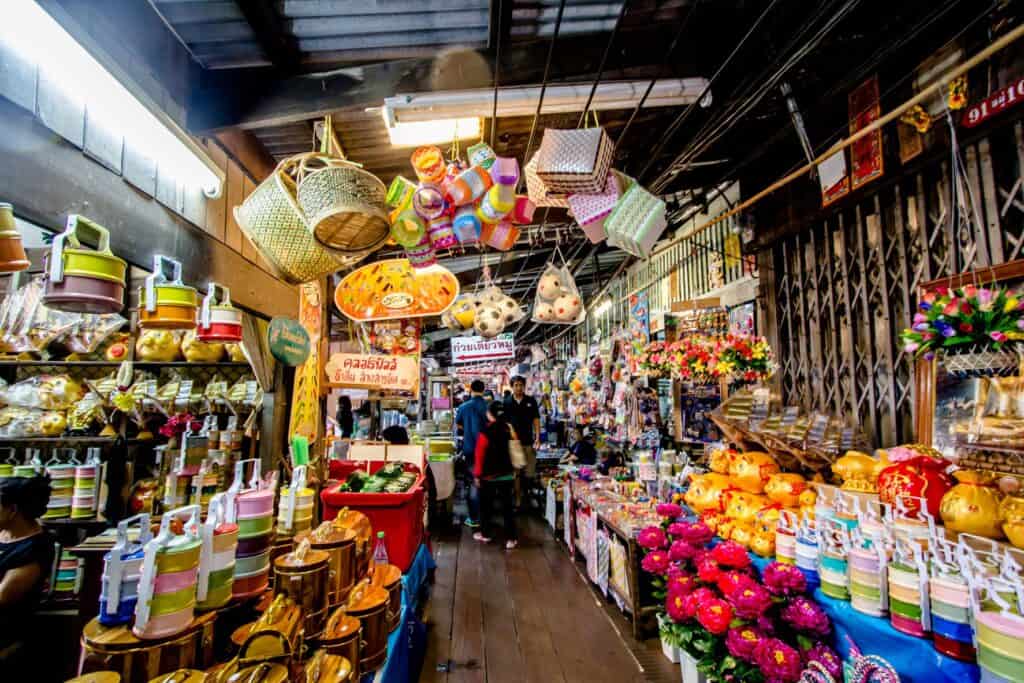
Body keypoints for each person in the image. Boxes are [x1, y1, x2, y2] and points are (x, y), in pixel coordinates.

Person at [0, 475, 55, 669]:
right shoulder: (3, 532)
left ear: (13, 510)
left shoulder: (35, 548)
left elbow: (3, 597)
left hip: (8, 633)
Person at [473, 401, 518, 549]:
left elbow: (479, 455)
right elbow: (515, 448)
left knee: (486, 507)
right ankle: (511, 538)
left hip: (488, 476)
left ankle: (485, 534)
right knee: (507, 507)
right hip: (507, 474)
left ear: (489, 414)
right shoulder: (508, 429)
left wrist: (477, 475)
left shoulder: (485, 431)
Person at [454, 380, 488, 526]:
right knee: (486, 482)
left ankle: (474, 518)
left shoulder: (464, 406)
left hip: (470, 449)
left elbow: (458, 423)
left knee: (473, 483)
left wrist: (468, 428)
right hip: (488, 450)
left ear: (471, 390)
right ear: (483, 390)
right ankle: (486, 517)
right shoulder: (488, 406)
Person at [504, 375, 541, 505]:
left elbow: (536, 419)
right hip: (513, 443)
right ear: (512, 386)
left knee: (529, 472)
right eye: (516, 385)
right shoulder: (506, 402)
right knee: (516, 473)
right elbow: (505, 423)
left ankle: (527, 496)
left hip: (528, 441)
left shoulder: (531, 401)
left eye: (521, 385)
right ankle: (518, 498)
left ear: (524, 386)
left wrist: (538, 437)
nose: (519, 388)